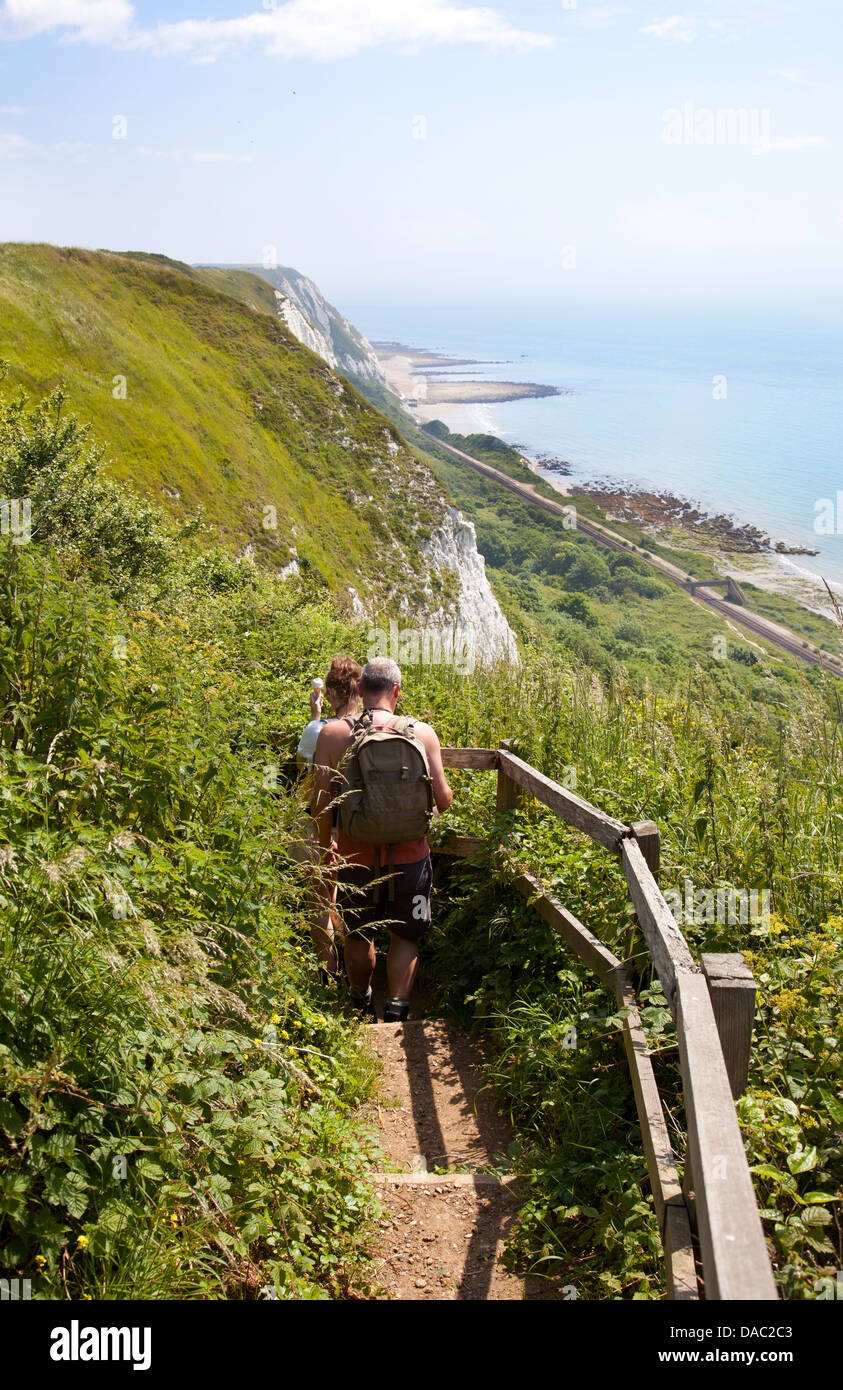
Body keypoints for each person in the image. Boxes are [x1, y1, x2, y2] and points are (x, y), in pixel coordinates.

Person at [311, 656, 452, 1022]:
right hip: (411, 859)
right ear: (397, 691)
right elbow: (444, 801)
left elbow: (322, 803)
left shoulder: (333, 735)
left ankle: (361, 1000)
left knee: (358, 935)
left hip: (356, 855)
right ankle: (398, 1008)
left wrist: (326, 849)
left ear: (360, 689)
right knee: (405, 936)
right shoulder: (422, 733)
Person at [295, 655, 362, 981]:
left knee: (321, 899)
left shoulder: (317, 731)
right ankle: (357, 971)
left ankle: (328, 972)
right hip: (360, 827)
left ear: (330, 693)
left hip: (324, 825)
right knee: (352, 899)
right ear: (360, 691)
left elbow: (301, 768)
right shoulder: (371, 726)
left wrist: (314, 717)